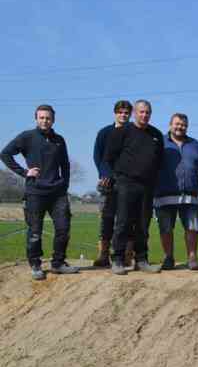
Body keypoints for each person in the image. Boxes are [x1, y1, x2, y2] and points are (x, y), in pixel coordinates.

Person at [1, 104, 78, 280]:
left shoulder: (59, 140)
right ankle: (35, 264)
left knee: (63, 228)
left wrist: (64, 185)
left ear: (53, 120)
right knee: (35, 231)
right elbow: (5, 154)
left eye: (48, 118)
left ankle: (58, 263)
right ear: (36, 118)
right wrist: (24, 172)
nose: (45, 121)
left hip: (57, 193)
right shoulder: (27, 137)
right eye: (42, 117)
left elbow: (65, 165)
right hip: (35, 192)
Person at [103, 99, 164, 275]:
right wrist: (118, 177)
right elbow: (109, 157)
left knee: (143, 223)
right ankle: (118, 260)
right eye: (141, 112)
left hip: (147, 185)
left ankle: (142, 259)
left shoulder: (156, 135)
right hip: (125, 183)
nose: (144, 115)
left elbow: (159, 160)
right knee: (123, 222)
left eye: (147, 113)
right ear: (135, 113)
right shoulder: (121, 132)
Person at [154, 113, 198, 271]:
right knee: (165, 228)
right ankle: (168, 257)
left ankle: (192, 258)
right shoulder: (160, 142)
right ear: (170, 125)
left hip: (190, 195)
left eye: (183, 125)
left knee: (192, 227)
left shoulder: (195, 144)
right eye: (177, 124)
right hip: (164, 194)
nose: (180, 127)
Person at [92, 100, 135, 268]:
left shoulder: (134, 131)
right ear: (115, 113)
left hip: (129, 181)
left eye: (126, 113)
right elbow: (98, 156)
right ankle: (103, 254)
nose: (123, 115)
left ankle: (126, 255)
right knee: (107, 218)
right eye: (120, 112)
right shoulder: (105, 132)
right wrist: (104, 174)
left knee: (127, 219)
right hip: (108, 182)